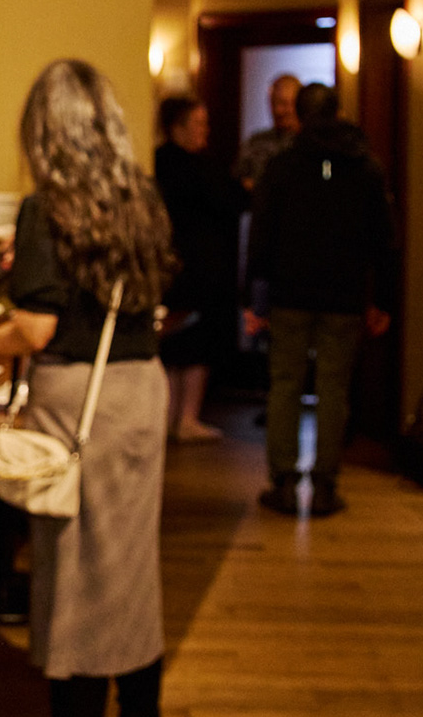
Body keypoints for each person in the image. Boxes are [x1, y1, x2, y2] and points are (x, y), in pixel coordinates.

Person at [0, 61, 177, 717]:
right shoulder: (139, 197)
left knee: (76, 567)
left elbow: (37, 328)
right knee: (130, 562)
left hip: (81, 399)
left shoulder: (48, 208)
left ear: (44, 131)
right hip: (140, 390)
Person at [245, 82, 396, 517]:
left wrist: (254, 297)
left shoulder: (282, 166)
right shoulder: (365, 167)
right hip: (344, 294)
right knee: (333, 388)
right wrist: (382, 299)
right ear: (339, 112)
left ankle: (283, 481)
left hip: (289, 292)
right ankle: (326, 484)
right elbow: (383, 240)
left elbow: (262, 234)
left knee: (285, 384)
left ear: (299, 116)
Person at [154, 96, 248, 441]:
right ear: (177, 127)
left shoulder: (156, 162)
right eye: (199, 124)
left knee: (174, 345)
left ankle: (169, 420)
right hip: (199, 269)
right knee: (194, 343)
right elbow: (234, 201)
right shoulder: (200, 168)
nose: (205, 131)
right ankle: (186, 419)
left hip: (171, 267)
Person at [234, 72, 302, 190]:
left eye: (284, 103)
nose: (278, 110)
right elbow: (237, 181)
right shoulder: (255, 143)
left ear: (299, 104)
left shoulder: (309, 144)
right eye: (274, 103)